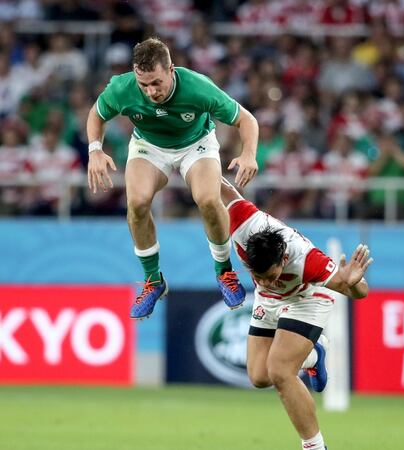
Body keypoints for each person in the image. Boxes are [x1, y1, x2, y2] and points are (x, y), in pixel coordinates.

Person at [85, 37, 259, 319]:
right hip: (149, 146)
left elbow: (246, 119)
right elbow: (96, 114)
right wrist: (95, 150)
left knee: (207, 199)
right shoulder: (122, 87)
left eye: (156, 82)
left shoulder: (197, 87)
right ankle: (153, 280)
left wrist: (249, 154)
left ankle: (224, 270)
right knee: (137, 203)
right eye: (144, 85)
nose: (151, 91)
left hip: (196, 144)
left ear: (171, 70)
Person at [220, 177, 373, 450]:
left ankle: (315, 446)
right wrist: (188, 156)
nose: (265, 280)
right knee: (259, 376)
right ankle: (315, 354)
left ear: (282, 261)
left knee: (280, 371)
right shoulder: (242, 222)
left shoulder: (308, 261)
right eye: (258, 275)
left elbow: (360, 294)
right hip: (268, 302)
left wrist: (353, 281)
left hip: (307, 298)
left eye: (270, 275)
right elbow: (215, 183)